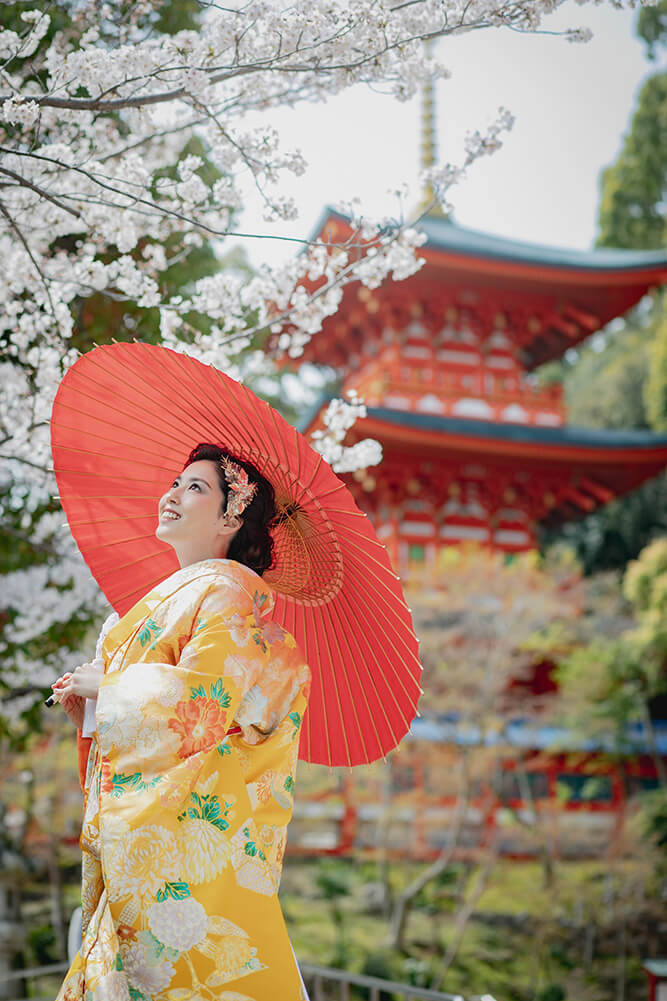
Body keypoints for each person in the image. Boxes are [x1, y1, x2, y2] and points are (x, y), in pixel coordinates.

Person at [51, 442, 312, 1001]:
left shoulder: (227, 592)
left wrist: (112, 689)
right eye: (175, 482)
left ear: (231, 515)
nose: (171, 495)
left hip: (178, 846)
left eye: (196, 487)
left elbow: (205, 705)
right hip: (146, 835)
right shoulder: (178, 599)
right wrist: (93, 713)